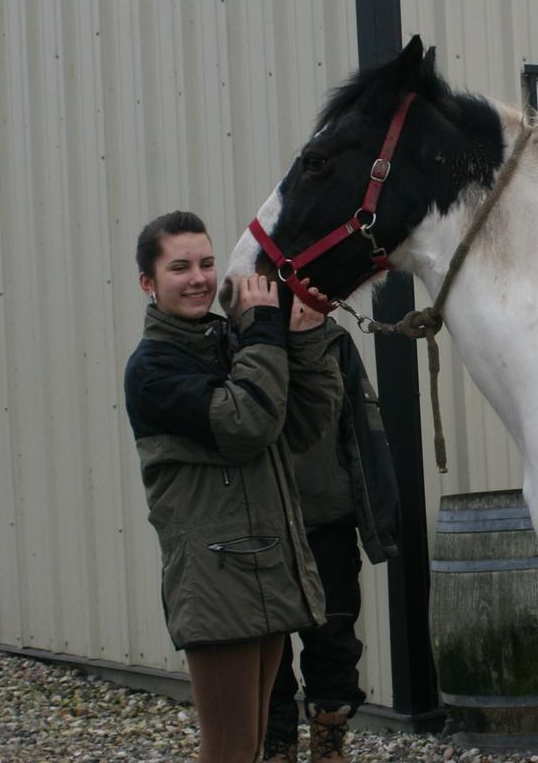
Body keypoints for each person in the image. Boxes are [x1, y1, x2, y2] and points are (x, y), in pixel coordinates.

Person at [123, 210, 342, 763]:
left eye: (206, 263)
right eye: (179, 267)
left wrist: (306, 340)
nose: (198, 278)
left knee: (250, 746)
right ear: (148, 283)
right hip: (217, 584)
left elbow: (300, 425)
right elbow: (247, 425)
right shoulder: (152, 369)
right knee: (228, 752)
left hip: (263, 569)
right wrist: (264, 329)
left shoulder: (227, 343)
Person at [264, 316, 401, 763]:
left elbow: (363, 429)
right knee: (267, 652)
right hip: (261, 530)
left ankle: (329, 744)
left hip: (326, 521)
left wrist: (377, 524)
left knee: (334, 643)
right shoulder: (239, 339)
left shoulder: (332, 340)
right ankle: (276, 745)